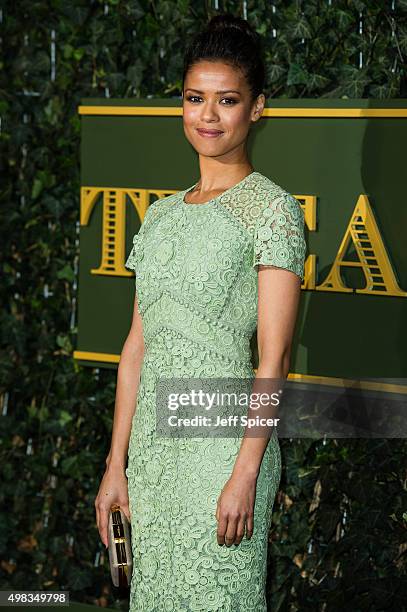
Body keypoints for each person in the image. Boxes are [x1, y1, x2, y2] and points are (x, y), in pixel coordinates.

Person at [95, 12, 307, 612]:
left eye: (227, 100)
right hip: (153, 457)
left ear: (257, 108)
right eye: (195, 99)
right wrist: (116, 467)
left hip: (224, 451)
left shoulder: (272, 212)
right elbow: (136, 347)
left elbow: (276, 359)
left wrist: (244, 473)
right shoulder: (160, 215)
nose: (207, 117)